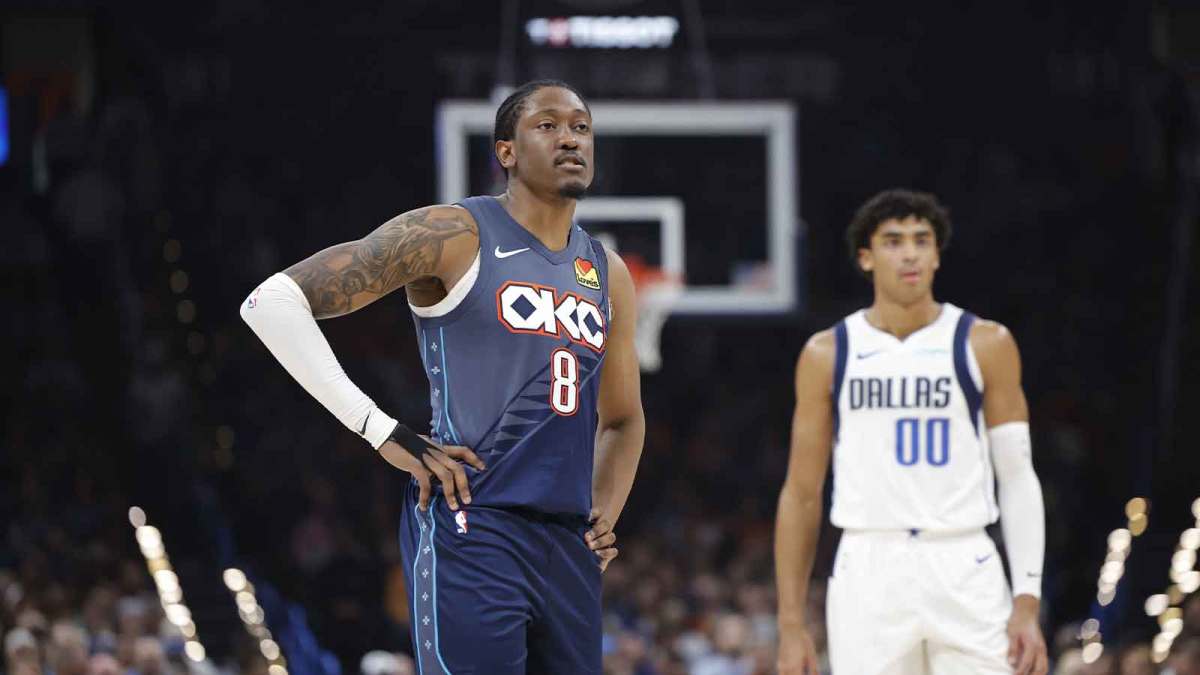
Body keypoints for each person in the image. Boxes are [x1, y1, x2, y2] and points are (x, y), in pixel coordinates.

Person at [242, 79, 645, 674]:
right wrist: (381, 431)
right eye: (548, 125)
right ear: (505, 151)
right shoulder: (452, 234)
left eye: (581, 128)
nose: (570, 139)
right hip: (473, 521)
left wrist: (602, 516)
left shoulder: (607, 271)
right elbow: (270, 302)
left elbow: (623, 417)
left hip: (566, 547)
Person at [774, 189, 1048, 674]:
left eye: (922, 240)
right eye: (894, 241)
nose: (909, 253)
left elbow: (1018, 476)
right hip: (869, 563)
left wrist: (1027, 599)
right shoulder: (828, 353)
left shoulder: (985, 343)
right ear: (866, 257)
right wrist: (791, 624)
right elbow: (800, 494)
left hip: (965, 559)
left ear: (937, 255)